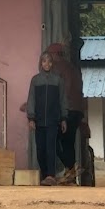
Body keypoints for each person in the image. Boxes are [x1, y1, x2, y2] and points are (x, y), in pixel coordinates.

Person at [44, 42, 85, 183]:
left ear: (54, 55)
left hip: (67, 110)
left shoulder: (60, 69)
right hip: (77, 110)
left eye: (49, 55)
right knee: (68, 142)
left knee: (54, 140)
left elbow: (63, 91)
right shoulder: (73, 69)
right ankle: (71, 173)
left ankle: (71, 169)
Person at [26, 50, 66, 186]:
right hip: (38, 121)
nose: (47, 63)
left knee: (51, 148)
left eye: (49, 61)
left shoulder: (58, 80)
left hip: (53, 120)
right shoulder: (35, 80)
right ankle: (44, 174)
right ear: (40, 63)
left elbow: (62, 100)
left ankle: (51, 176)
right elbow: (31, 99)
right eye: (44, 61)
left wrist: (63, 118)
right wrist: (31, 118)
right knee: (40, 149)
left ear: (52, 64)